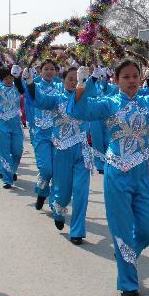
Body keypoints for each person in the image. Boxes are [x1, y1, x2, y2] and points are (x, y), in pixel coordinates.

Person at [69, 59, 149, 296]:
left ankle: (127, 253)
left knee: (147, 228)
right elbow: (80, 111)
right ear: (115, 80)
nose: (131, 81)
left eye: (135, 76)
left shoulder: (147, 102)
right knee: (122, 227)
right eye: (125, 77)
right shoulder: (107, 103)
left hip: (142, 173)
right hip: (117, 172)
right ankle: (128, 281)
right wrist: (82, 85)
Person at [28, 65, 91, 243]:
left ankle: (77, 230)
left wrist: (90, 81)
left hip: (82, 152)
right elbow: (38, 100)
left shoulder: (87, 99)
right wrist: (29, 82)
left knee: (81, 192)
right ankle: (58, 209)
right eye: (69, 79)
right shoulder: (55, 99)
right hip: (61, 152)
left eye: (76, 79)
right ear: (62, 81)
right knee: (62, 193)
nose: (73, 82)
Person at [23, 60, 63, 210]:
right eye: (46, 69)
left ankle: (55, 204)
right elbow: (31, 94)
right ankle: (41, 193)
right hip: (41, 134)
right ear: (40, 71)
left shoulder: (60, 86)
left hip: (60, 134)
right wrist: (28, 80)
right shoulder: (36, 86)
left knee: (58, 172)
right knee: (46, 169)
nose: (49, 71)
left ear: (56, 71)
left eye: (52, 69)